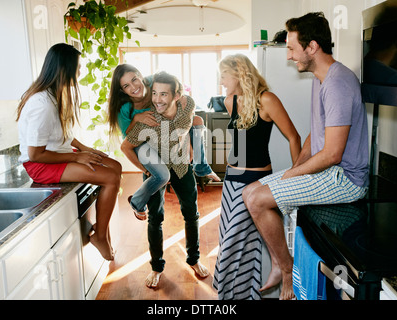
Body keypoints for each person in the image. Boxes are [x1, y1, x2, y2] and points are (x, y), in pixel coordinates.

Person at [242, 12, 369, 300]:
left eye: (291, 48)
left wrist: (290, 176)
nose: (288, 56)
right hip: (330, 171)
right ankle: (279, 263)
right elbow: (316, 135)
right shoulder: (320, 78)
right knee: (250, 192)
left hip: (346, 179)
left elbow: (333, 154)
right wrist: (295, 168)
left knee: (257, 199)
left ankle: (285, 268)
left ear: (312, 47)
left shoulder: (338, 83)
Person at [16, 43, 122, 261]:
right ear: (64, 68)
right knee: (110, 178)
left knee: (116, 166)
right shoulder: (41, 104)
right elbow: (35, 154)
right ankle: (100, 236)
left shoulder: (55, 95)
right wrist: (76, 156)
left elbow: (62, 134)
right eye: (78, 66)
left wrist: (84, 148)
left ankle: (103, 233)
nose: (80, 71)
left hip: (57, 154)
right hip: (41, 165)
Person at [212, 54, 301, 300]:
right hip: (231, 181)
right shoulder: (231, 101)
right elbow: (241, 144)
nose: (221, 82)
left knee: (232, 244)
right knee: (237, 241)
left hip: (254, 181)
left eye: (223, 75)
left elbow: (294, 137)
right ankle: (239, 296)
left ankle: (282, 269)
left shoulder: (267, 100)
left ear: (239, 73)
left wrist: (297, 178)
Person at [120, 71, 209, 288]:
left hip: (180, 166)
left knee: (191, 213)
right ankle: (156, 267)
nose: (157, 100)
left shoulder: (187, 105)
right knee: (155, 218)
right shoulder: (146, 120)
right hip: (156, 171)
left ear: (177, 95)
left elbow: (193, 120)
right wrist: (145, 169)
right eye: (154, 94)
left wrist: (188, 141)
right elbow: (126, 147)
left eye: (163, 94)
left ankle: (194, 260)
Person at [108, 64, 219, 221]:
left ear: (140, 75)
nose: (134, 87)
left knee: (197, 121)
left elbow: (177, 93)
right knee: (162, 176)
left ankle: (201, 166)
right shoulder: (124, 107)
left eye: (134, 79)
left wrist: (187, 143)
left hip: (165, 132)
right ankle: (137, 202)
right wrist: (136, 118)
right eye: (126, 86)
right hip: (141, 142)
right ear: (122, 90)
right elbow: (129, 139)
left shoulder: (153, 80)